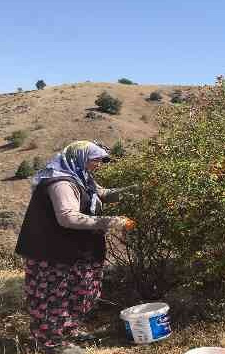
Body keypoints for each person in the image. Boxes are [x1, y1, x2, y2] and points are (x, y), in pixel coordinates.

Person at [15, 141, 136, 354]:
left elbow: (102, 193)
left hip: (73, 249)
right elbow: (67, 217)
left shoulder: (81, 176)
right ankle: (49, 343)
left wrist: (135, 190)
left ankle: (68, 331)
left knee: (78, 291)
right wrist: (109, 221)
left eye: (101, 160)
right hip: (52, 251)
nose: (99, 164)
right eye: (95, 159)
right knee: (54, 296)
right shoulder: (62, 182)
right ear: (79, 158)